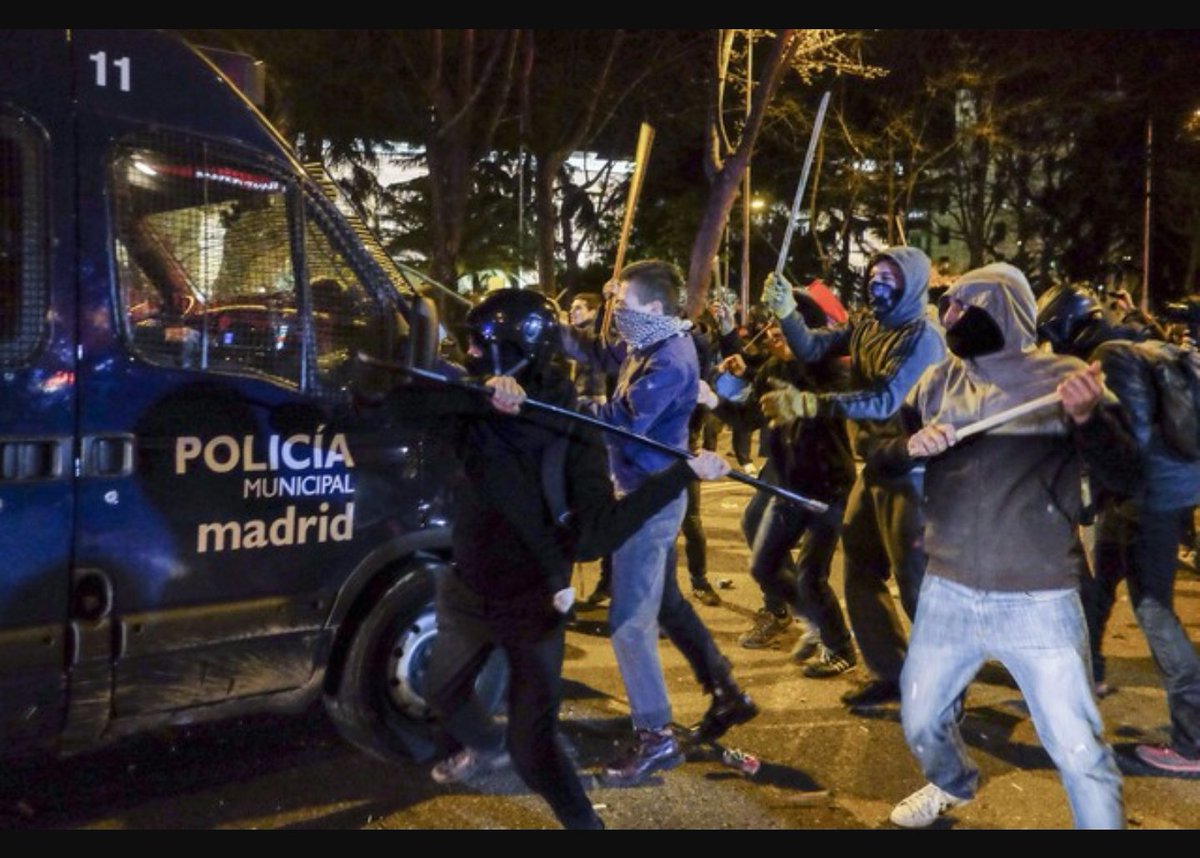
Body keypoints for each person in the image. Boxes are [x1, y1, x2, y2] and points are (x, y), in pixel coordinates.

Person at [389, 289, 732, 829]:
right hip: (465, 588)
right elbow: (397, 403)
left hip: (532, 603)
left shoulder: (570, 429)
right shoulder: (473, 409)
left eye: (482, 348)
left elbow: (596, 536)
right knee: (442, 688)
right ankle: (484, 744)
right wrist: (479, 392)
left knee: (533, 749)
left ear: (517, 350)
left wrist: (681, 475)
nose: (471, 355)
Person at [872, 263, 1137, 829]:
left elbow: (1126, 475)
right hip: (948, 589)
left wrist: (1089, 418)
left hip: (1039, 597)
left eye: (962, 306)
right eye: (946, 307)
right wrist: (908, 446)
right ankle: (952, 782)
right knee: (920, 719)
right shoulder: (937, 383)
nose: (948, 318)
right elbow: (879, 460)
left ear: (1003, 311)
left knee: (1078, 751)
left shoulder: (1065, 380)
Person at [561, 260, 757, 785]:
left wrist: (560, 406)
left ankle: (655, 737)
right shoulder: (649, 340)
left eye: (623, 304)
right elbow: (601, 350)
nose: (617, 313)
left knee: (628, 624)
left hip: (649, 499)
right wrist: (553, 335)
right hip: (644, 487)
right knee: (665, 601)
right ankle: (727, 691)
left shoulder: (669, 359)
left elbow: (623, 424)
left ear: (651, 307)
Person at [761, 246, 945, 709]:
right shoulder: (867, 325)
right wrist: (786, 313)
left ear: (914, 284)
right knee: (860, 567)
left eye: (890, 278)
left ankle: (943, 688)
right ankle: (893, 671)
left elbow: (885, 399)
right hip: (878, 463)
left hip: (916, 472)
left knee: (916, 585)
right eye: (875, 275)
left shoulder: (922, 336)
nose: (878, 284)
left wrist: (812, 404)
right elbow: (813, 344)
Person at [1036, 282, 1200, 776]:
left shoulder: (1111, 357)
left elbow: (1129, 452)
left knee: (1153, 611)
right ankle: (1090, 678)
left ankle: (1193, 740)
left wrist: (1084, 421)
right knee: (1099, 587)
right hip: (1159, 493)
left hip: (1149, 500)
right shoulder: (1131, 342)